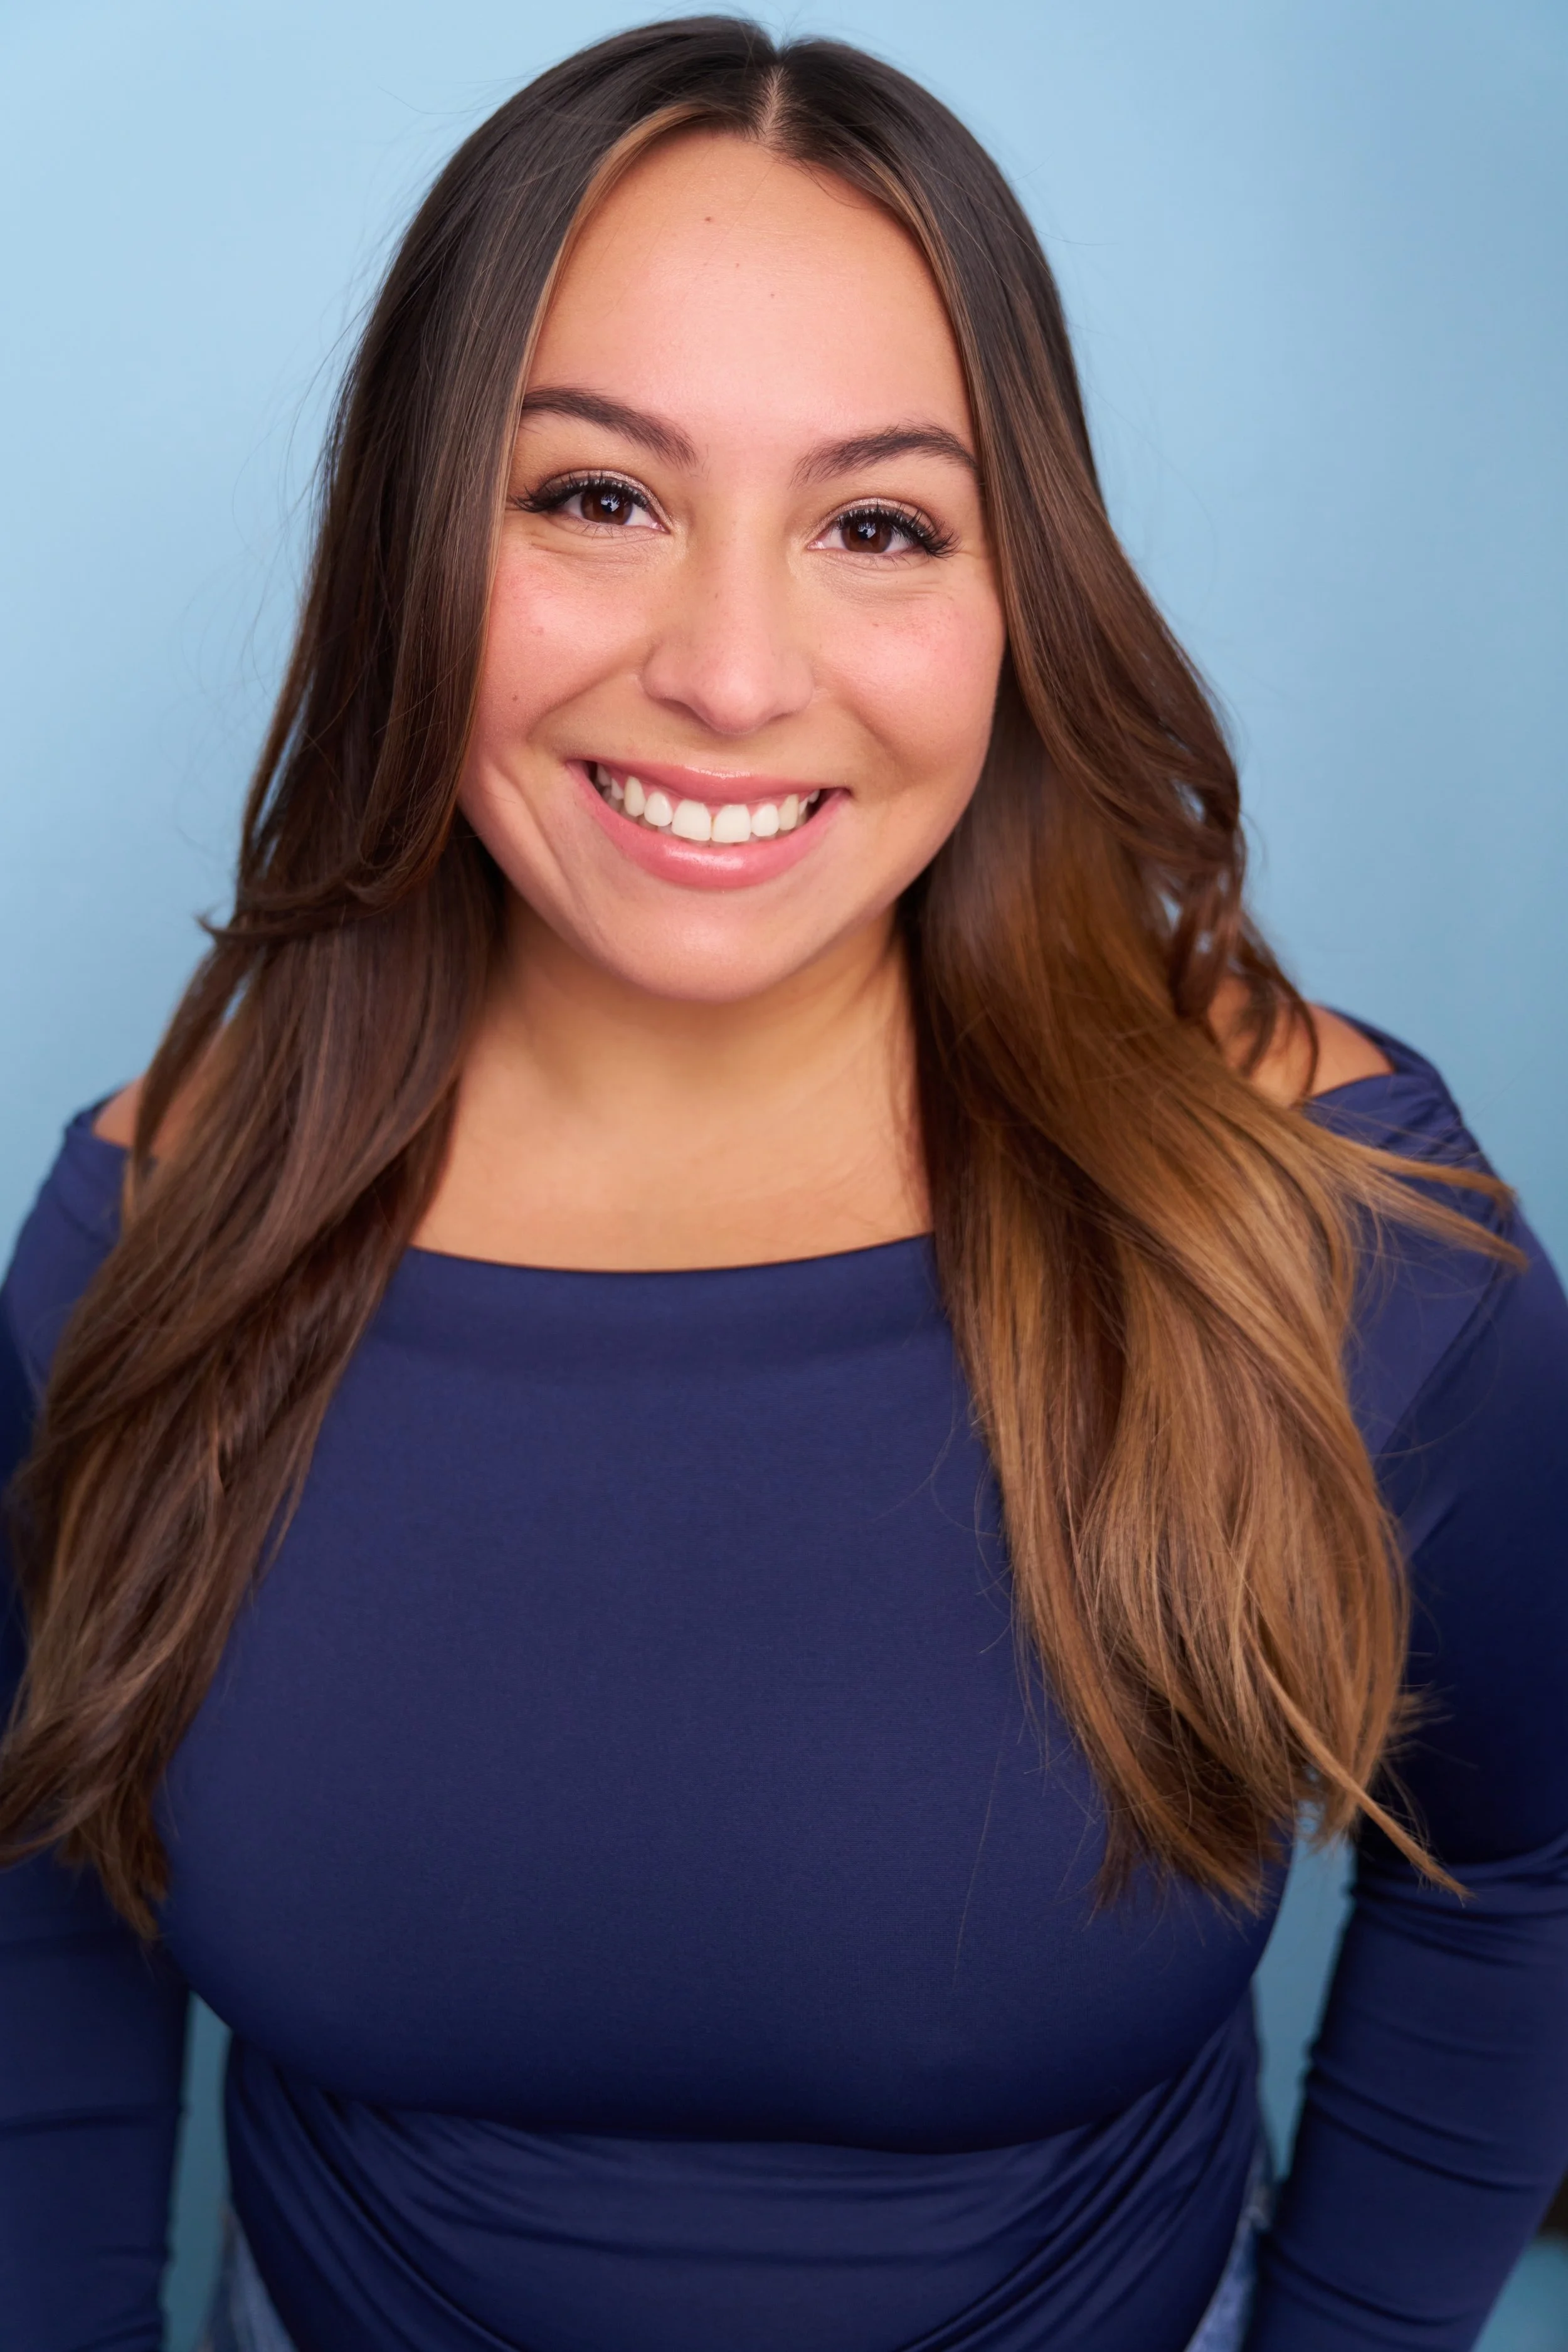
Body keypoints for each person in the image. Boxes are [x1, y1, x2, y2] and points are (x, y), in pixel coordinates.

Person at [2, 18, 1565, 2351]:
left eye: (876, 523)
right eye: (596, 496)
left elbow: (1521, 1866)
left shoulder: (1320, 1218)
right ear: (421, 538)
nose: (730, 673)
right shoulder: (166, 1212)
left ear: (1016, 590)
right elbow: (50, 1880)